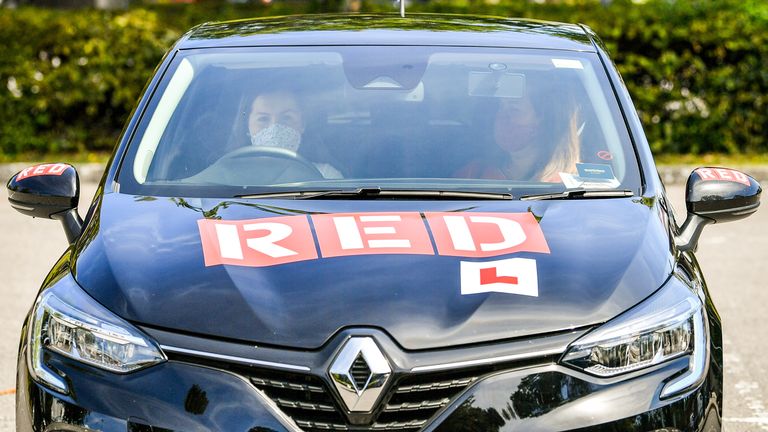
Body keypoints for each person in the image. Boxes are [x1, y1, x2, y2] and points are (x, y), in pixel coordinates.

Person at [455, 80, 581, 182]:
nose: (502, 116)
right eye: (501, 106)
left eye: (514, 109)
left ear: (543, 119)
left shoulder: (570, 185)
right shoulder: (475, 173)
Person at [246, 89, 343, 179]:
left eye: (286, 118)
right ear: (248, 126)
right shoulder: (231, 175)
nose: (274, 129)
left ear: (302, 125)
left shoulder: (324, 176)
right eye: (263, 119)